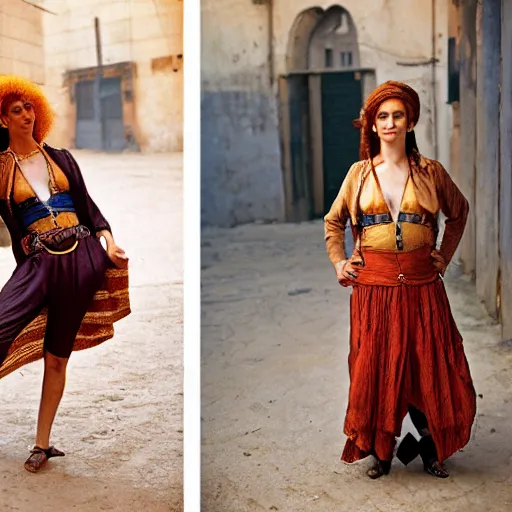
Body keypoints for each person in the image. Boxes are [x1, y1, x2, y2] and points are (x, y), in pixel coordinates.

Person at [324, 80, 476, 479]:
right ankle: (383, 450)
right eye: (383, 116)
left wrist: (443, 256)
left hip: (424, 289)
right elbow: (333, 221)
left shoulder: (430, 172)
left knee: (427, 365)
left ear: (410, 122)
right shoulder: (358, 174)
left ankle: (429, 449)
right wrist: (340, 262)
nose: (390, 123)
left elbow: (459, 212)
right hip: (373, 289)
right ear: (372, 125)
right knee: (375, 367)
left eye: (398, 116)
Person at [0, 75, 131, 473]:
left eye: (29, 107)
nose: (27, 114)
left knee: (57, 358)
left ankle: (42, 444)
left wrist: (108, 242)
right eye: (16, 110)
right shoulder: (1, 169)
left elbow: (91, 210)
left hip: (81, 259)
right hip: (39, 266)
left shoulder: (62, 158)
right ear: (3, 120)